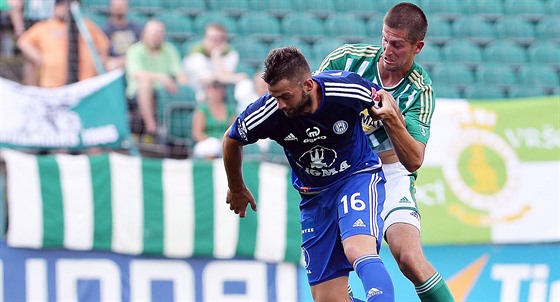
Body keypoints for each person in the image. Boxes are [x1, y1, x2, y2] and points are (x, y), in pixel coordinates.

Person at [222, 47, 395, 301]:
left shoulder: (346, 89)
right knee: (328, 299)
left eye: (285, 96)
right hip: (314, 197)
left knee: (357, 248)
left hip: (355, 177)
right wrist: (236, 187)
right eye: (274, 96)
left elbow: (385, 102)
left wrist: (399, 136)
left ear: (308, 85)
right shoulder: (268, 111)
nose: (279, 104)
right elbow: (230, 140)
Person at [318, 2, 455, 301]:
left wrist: (393, 119)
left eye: (397, 44)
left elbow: (414, 159)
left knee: (407, 257)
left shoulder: (419, 90)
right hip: (344, 170)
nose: (387, 50)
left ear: (417, 47)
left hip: (389, 171)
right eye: (384, 39)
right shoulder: (346, 59)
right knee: (337, 273)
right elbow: (310, 103)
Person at [16, 0, 109, 87]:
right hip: (53, 86)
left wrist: (97, 64)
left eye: (65, 4)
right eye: (59, 4)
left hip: (85, 84)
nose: (62, 7)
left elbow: (104, 45)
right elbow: (23, 42)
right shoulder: (45, 26)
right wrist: (41, 59)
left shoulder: (86, 25)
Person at [125, 19, 188, 136]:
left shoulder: (169, 49)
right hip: (138, 94)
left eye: (160, 33)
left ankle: (181, 133)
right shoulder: (134, 50)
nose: (156, 37)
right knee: (144, 84)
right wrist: (160, 77)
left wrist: (183, 86)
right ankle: (152, 128)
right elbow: (136, 74)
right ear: (144, 34)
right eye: (153, 33)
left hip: (166, 92)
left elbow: (180, 73)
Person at [183, 23, 246, 102]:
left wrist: (216, 56)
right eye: (211, 39)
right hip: (198, 96)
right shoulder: (195, 55)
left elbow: (227, 75)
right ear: (204, 39)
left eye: (219, 40)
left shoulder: (230, 53)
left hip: (223, 94)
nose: (215, 43)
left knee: (245, 85)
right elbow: (212, 80)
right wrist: (234, 78)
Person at [191, 80, 236, 159]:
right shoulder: (202, 109)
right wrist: (212, 141)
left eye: (218, 89)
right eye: (213, 90)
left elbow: (234, 130)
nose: (216, 93)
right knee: (211, 149)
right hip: (206, 142)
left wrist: (223, 141)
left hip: (225, 142)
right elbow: (197, 133)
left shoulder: (230, 110)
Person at [102, 0, 142, 71]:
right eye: (116, 5)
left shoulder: (135, 28)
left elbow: (142, 48)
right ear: (110, 8)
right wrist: (121, 61)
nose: (119, 8)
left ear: (127, 7)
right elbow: (103, 56)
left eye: (122, 5)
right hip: (116, 65)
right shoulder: (105, 31)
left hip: (134, 62)